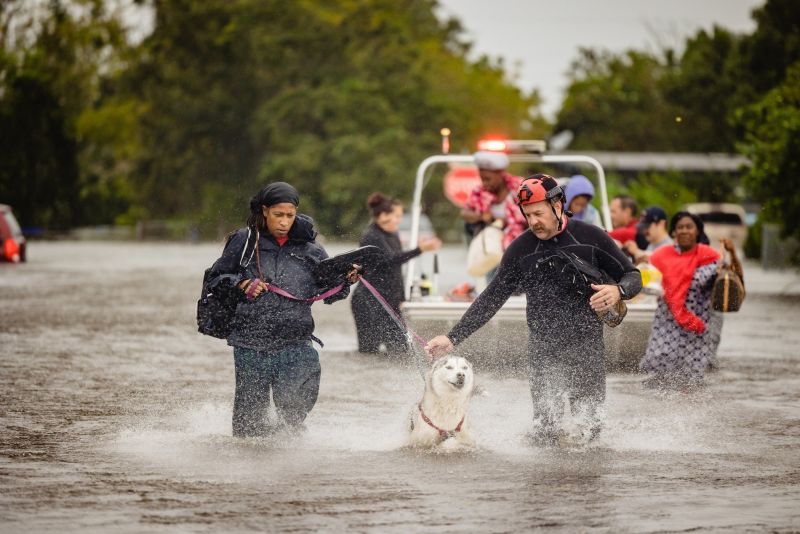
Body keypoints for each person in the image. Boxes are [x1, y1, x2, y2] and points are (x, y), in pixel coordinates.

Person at [426, 174, 642, 445]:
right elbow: (491, 298)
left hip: (586, 345)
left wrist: (617, 291)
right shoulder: (521, 250)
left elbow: (633, 276)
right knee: (546, 431)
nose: (533, 222)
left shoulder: (591, 237)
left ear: (558, 205)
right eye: (527, 215)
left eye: (539, 213)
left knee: (589, 432)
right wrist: (452, 337)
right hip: (543, 348)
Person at [204, 182, 356, 437]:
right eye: (278, 215)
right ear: (264, 211)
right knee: (248, 424)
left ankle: (287, 452)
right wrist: (241, 284)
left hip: (296, 340)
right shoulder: (244, 241)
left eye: (290, 215)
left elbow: (331, 291)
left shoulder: (312, 249)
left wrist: (346, 279)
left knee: (295, 407)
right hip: (251, 341)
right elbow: (215, 280)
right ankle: (251, 463)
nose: (284, 221)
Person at [640, 212, 733, 388]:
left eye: (689, 227)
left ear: (697, 231)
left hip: (696, 326)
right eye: (680, 227)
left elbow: (726, 284)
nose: (684, 231)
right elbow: (646, 279)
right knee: (658, 378)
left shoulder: (710, 257)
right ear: (673, 232)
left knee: (690, 385)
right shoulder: (661, 255)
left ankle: (689, 413)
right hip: (666, 325)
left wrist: (726, 269)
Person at [351, 193, 441, 354]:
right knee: (369, 353)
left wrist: (401, 298)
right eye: (397, 216)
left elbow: (395, 270)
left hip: (389, 301)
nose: (399, 220)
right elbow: (390, 260)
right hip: (368, 303)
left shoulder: (392, 234)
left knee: (401, 351)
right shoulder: (371, 236)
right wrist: (420, 250)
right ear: (383, 216)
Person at [461, 151, 526, 249]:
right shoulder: (479, 191)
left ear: (500, 174)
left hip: (520, 242)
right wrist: (482, 217)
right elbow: (464, 213)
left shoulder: (520, 186)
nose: (485, 183)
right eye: (482, 179)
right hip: (490, 245)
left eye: (488, 179)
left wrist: (507, 221)